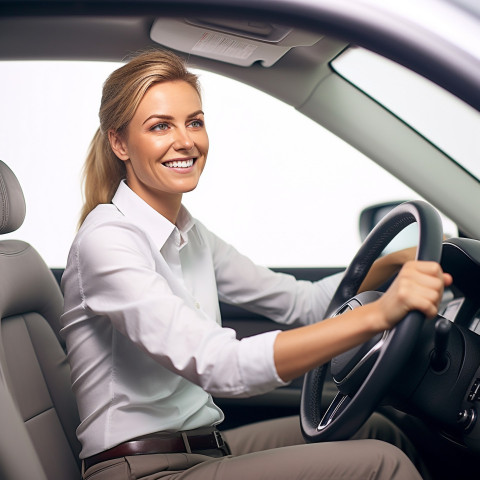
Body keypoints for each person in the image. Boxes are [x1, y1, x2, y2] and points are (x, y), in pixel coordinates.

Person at [60, 49, 451, 480]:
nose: (186, 140)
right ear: (119, 143)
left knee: (378, 429)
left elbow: (303, 304)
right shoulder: (107, 241)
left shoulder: (190, 234)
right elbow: (222, 365)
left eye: (195, 121)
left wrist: (392, 260)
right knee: (384, 464)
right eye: (160, 127)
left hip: (206, 447)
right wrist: (379, 314)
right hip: (140, 470)